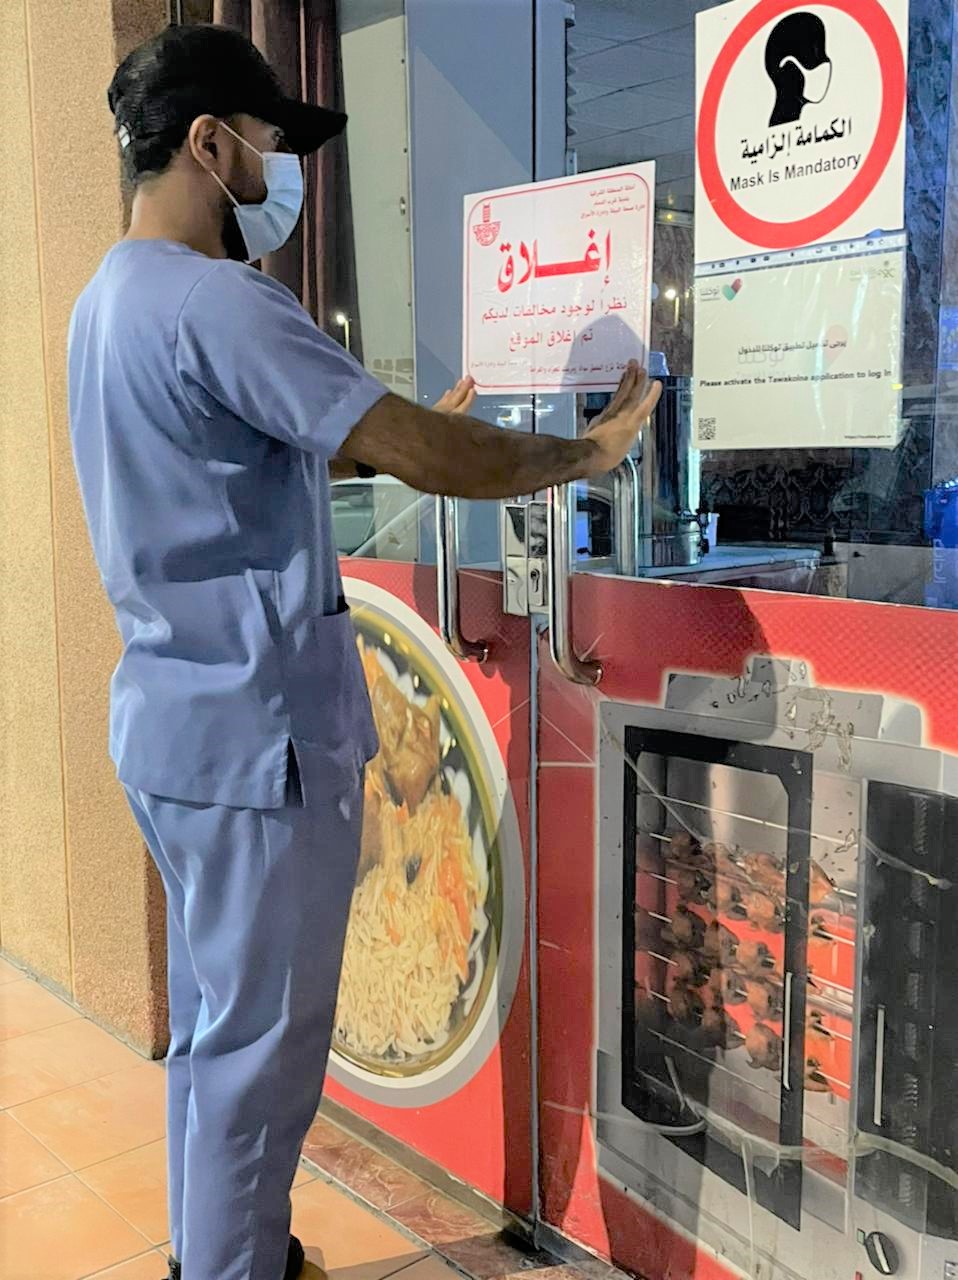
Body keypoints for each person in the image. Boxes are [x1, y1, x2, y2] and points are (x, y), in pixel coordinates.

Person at [67, 23, 661, 1280]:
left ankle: (223, 1252)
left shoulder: (107, 301)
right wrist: (584, 451)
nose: (279, 172)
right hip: (257, 744)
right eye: (267, 142)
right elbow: (427, 456)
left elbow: (246, 445)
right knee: (264, 1056)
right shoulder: (220, 297)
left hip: (174, 734)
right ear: (209, 143)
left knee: (215, 1038)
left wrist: (389, 429)